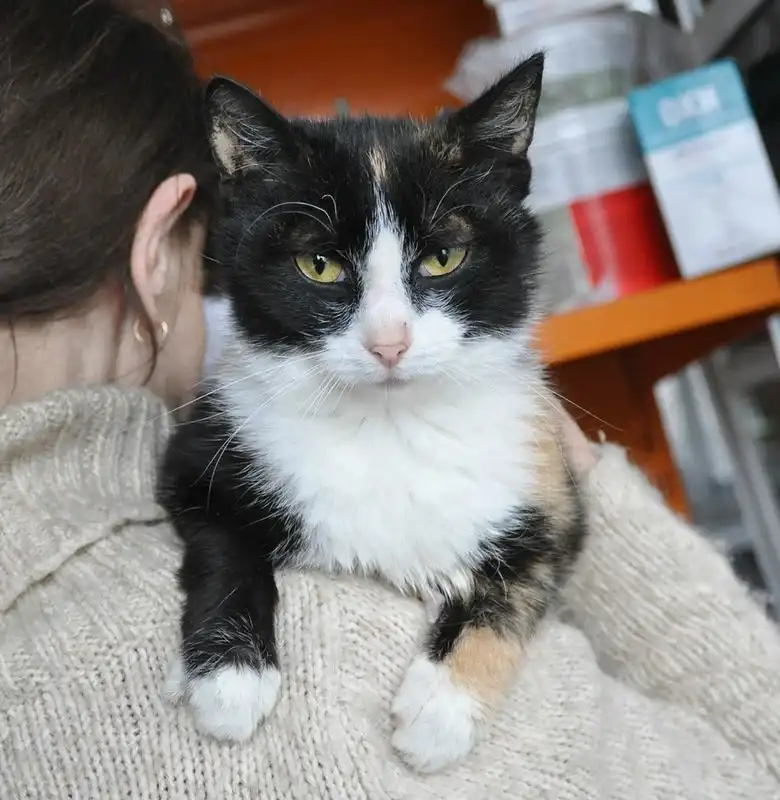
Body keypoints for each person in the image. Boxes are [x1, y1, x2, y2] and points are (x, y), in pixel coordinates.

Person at [2, 2, 780, 798]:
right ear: (157, 259)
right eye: (321, 267)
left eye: (439, 258)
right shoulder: (351, 659)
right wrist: (597, 502)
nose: (388, 338)